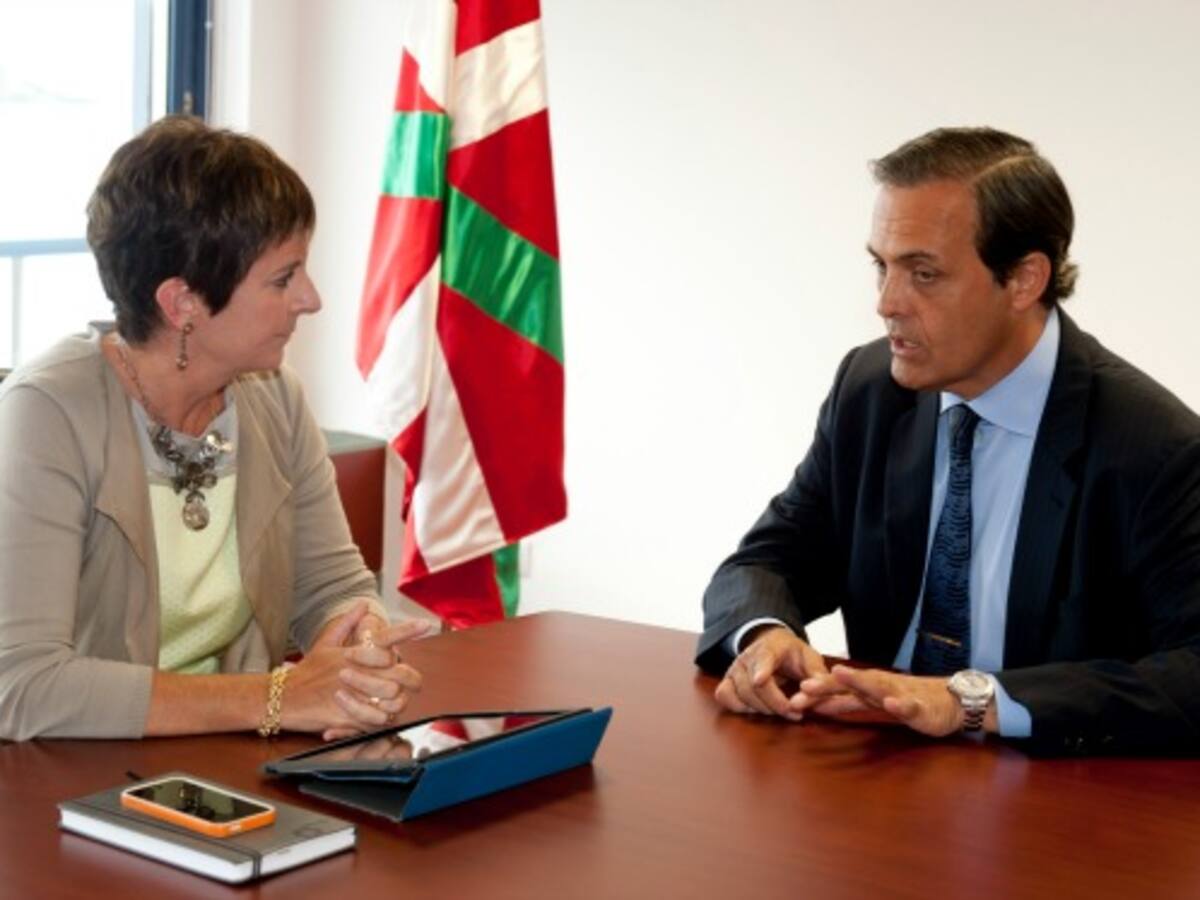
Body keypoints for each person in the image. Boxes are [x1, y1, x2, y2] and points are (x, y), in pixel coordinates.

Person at [696, 127, 1200, 755]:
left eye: (924, 273)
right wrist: (763, 635)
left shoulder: (1152, 447)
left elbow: (1193, 671)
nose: (887, 303)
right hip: (880, 765)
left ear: (1024, 280)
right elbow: (766, 561)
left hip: (1053, 782)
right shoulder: (870, 390)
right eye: (881, 266)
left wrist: (971, 702)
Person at [0, 115, 429, 741]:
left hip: (225, 760)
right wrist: (277, 698)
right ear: (182, 303)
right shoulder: (45, 413)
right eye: (283, 278)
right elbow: (22, 684)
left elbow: (332, 586)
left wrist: (360, 647)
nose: (311, 299)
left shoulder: (275, 397)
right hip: (68, 777)